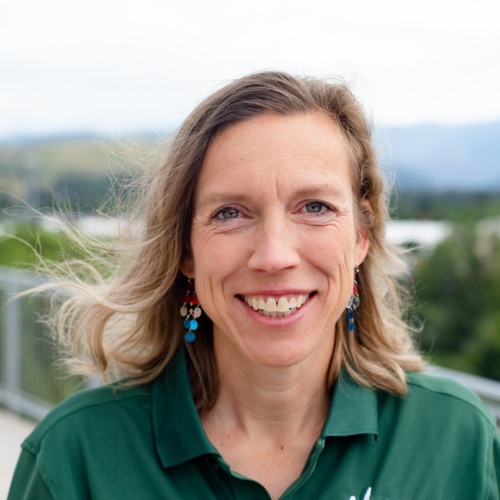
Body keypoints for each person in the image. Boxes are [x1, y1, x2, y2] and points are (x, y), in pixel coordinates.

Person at [8, 71, 500, 500]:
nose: (274, 256)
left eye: (315, 207)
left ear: (361, 237)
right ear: (185, 251)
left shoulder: (454, 438)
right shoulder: (78, 455)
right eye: (230, 213)